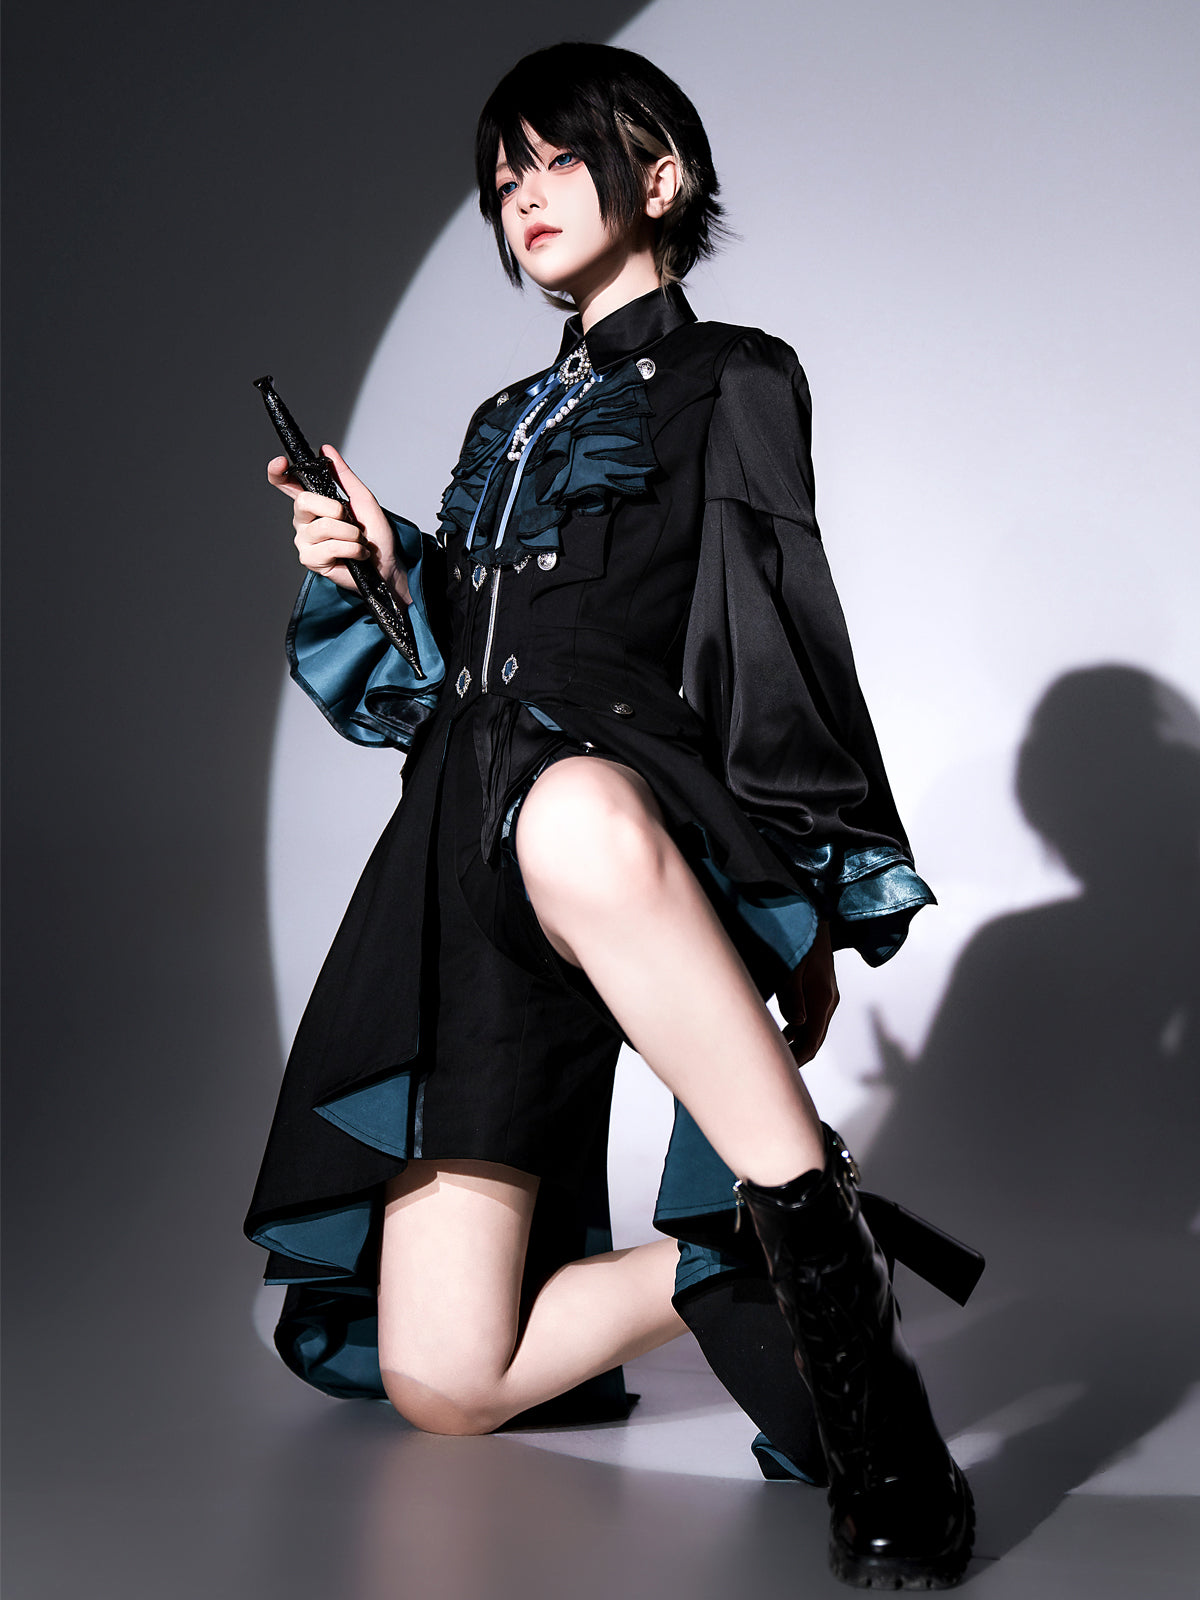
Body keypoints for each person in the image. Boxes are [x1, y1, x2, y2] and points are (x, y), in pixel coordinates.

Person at [245, 41, 978, 1589]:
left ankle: (883, 1425)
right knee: (447, 1379)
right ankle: (790, 1232)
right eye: (502, 173)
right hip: (458, 861)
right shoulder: (503, 418)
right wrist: (383, 565)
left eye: (556, 158)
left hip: (616, 813)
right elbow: (450, 675)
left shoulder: (736, 379)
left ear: (659, 176)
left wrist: (809, 893)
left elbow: (774, 627)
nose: (521, 193)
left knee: (570, 808)